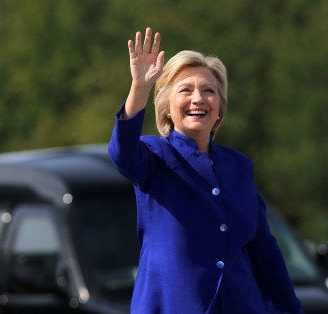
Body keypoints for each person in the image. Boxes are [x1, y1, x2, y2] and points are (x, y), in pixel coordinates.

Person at [108, 27, 303, 314]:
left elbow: (264, 253)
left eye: (208, 91)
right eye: (185, 90)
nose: (198, 99)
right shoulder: (154, 157)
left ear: (220, 107)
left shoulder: (238, 166)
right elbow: (122, 151)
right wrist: (139, 88)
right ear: (166, 107)